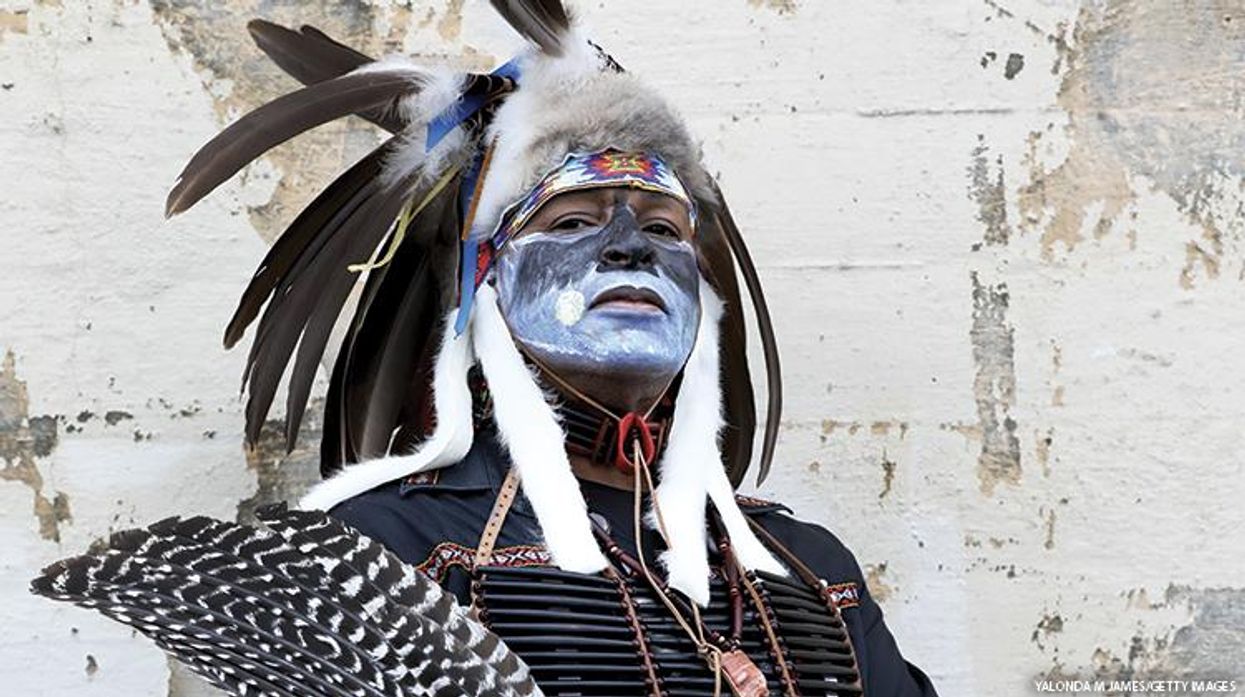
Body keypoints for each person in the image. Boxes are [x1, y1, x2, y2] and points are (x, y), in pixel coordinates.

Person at [39, 3, 939, 695]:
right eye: (575, 221)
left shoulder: (809, 566)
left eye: (665, 229)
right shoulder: (396, 545)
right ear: (490, 285)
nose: (628, 245)